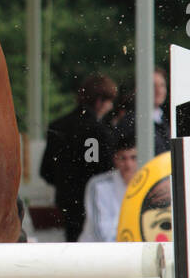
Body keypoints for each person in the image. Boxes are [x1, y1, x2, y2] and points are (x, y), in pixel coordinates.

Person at [40, 74, 118, 242]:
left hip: (67, 201)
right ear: (99, 101)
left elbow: (46, 170)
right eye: (109, 101)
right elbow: (105, 170)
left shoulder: (58, 126)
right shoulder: (100, 131)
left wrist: (65, 182)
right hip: (96, 201)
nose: (110, 107)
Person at [78, 132, 139, 242]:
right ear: (115, 159)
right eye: (123, 158)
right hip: (97, 252)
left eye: (133, 158)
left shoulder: (148, 184)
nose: (128, 164)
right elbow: (99, 231)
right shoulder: (99, 185)